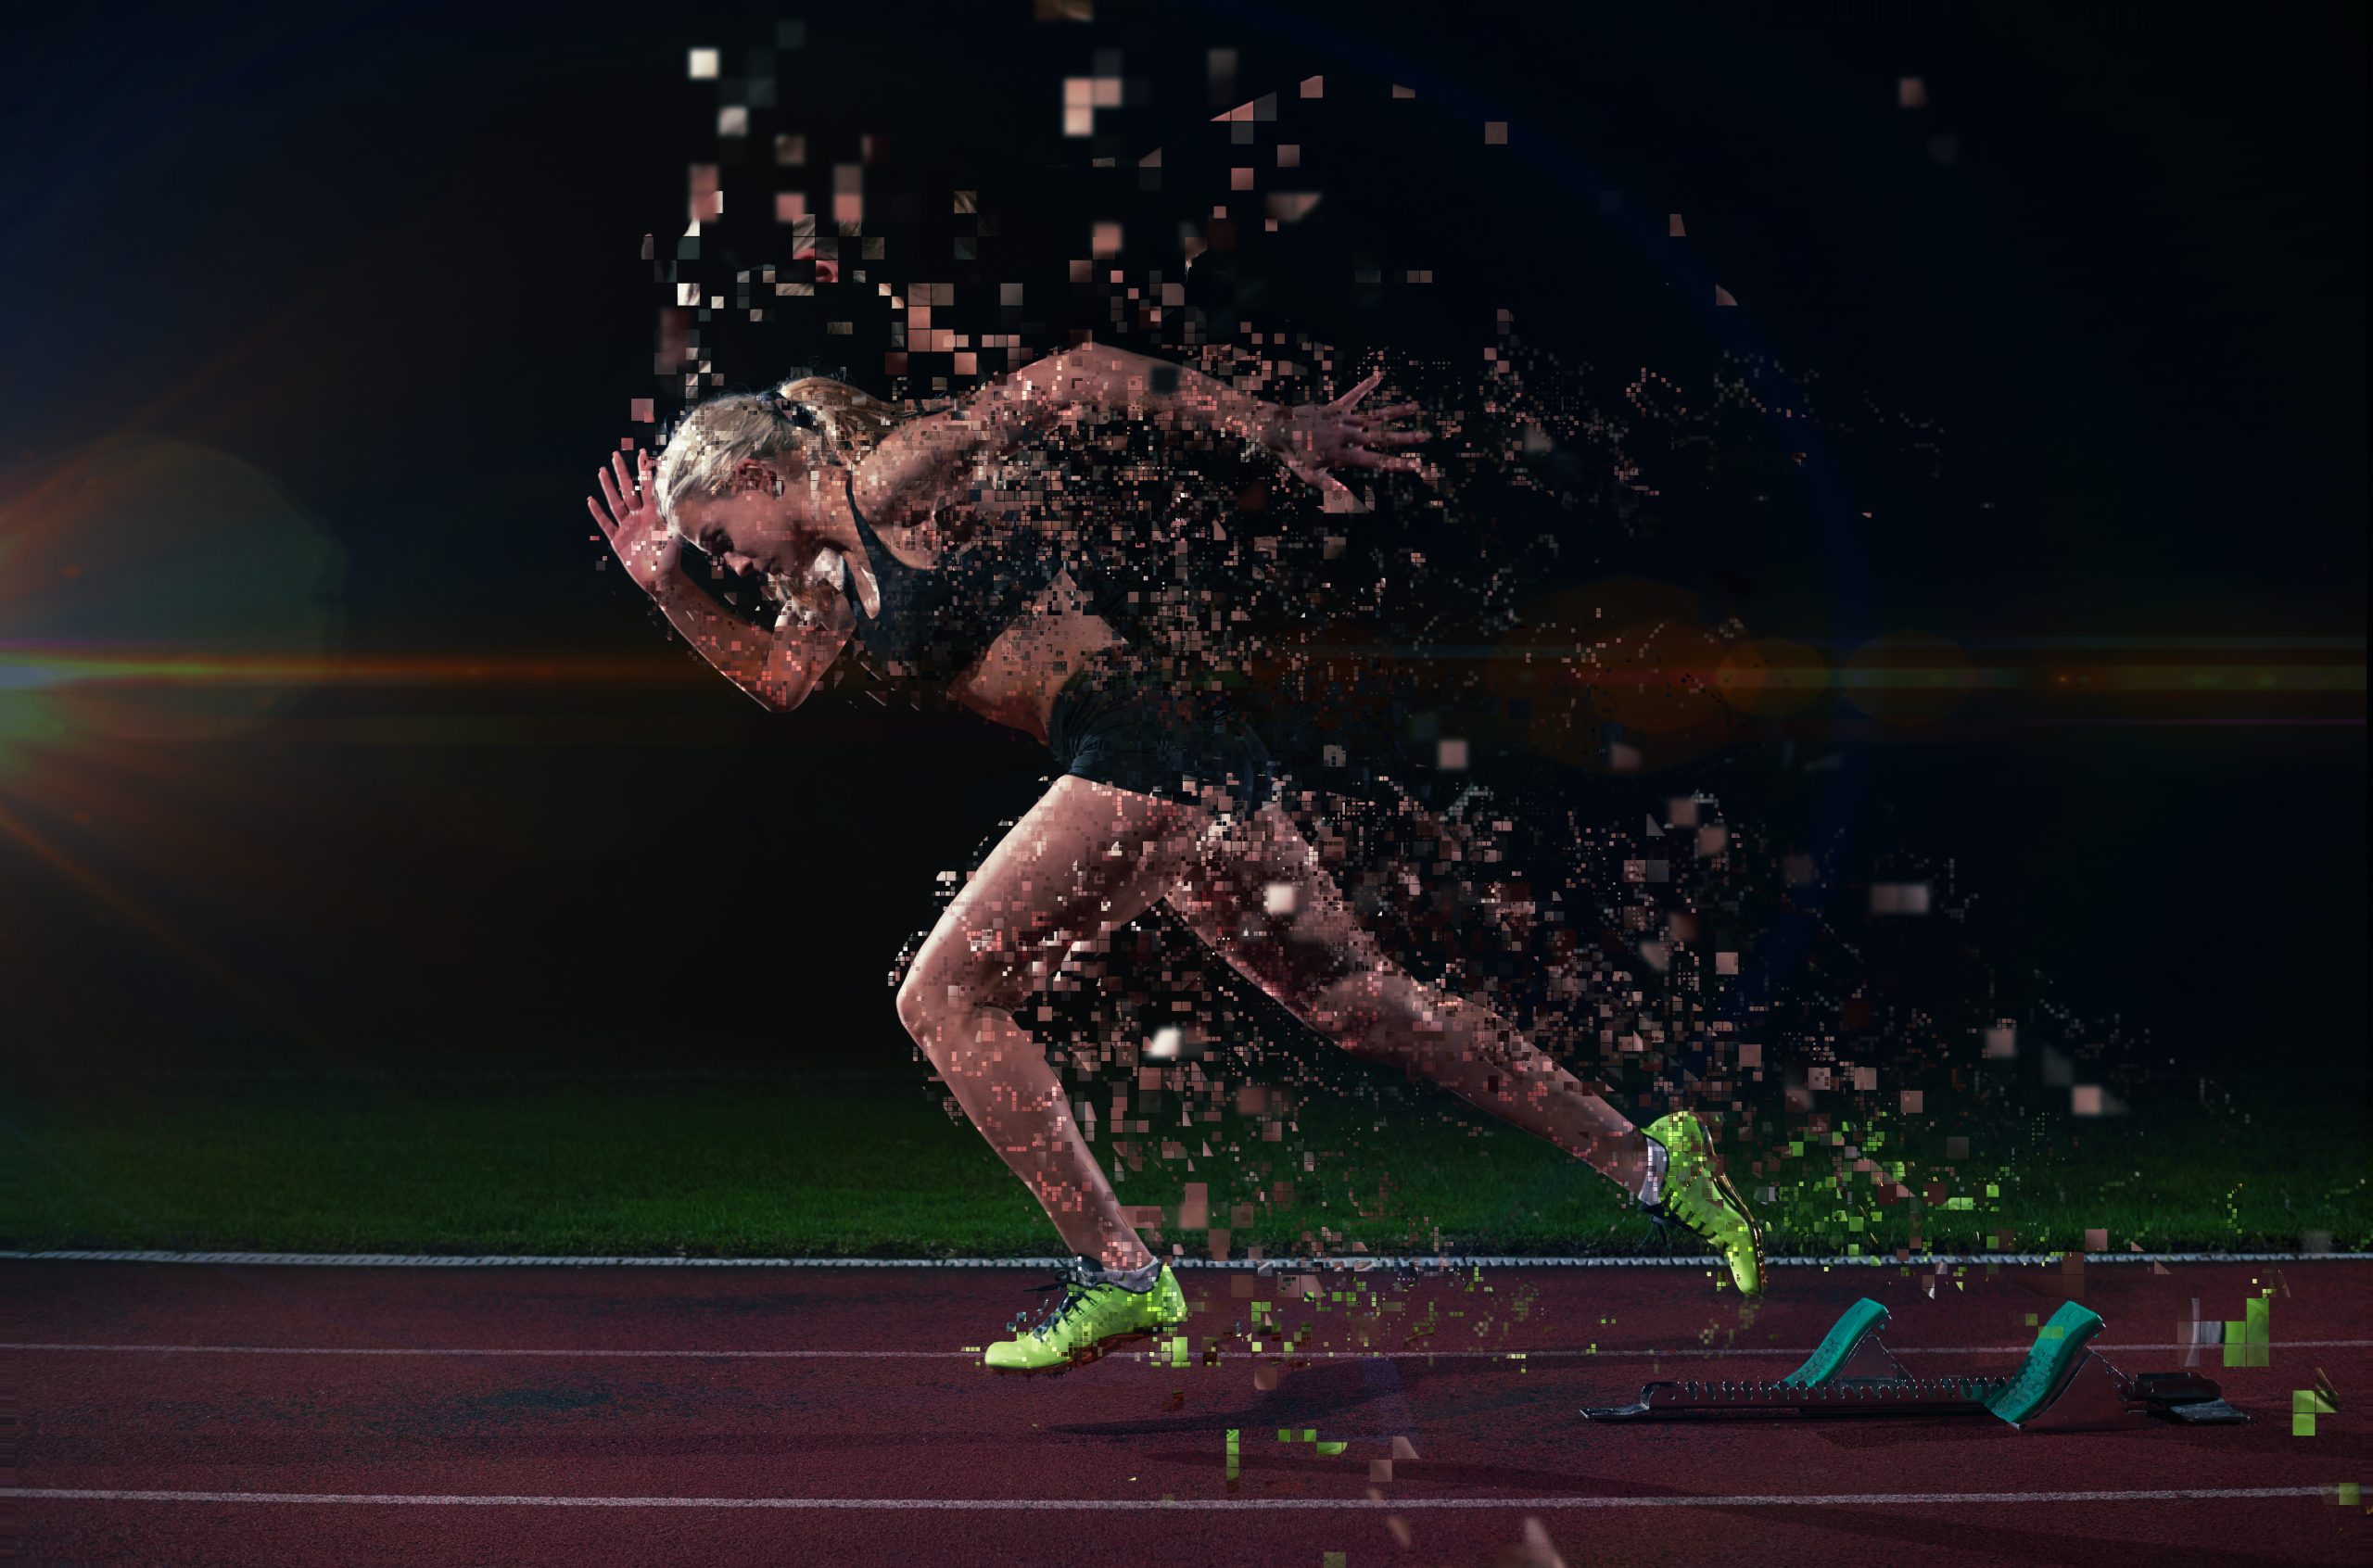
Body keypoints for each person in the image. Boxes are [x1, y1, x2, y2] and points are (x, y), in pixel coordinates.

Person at [586, 342, 1763, 1373]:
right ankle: (1651, 1157)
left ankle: (1117, 1274)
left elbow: (1073, 376)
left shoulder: (890, 479)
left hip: (1141, 737)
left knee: (942, 994)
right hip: (1177, 748)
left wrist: (1271, 427)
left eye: (714, 539)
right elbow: (781, 684)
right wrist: (665, 587)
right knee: (1362, 1004)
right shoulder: (827, 582)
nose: (725, 561)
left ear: (752, 478)